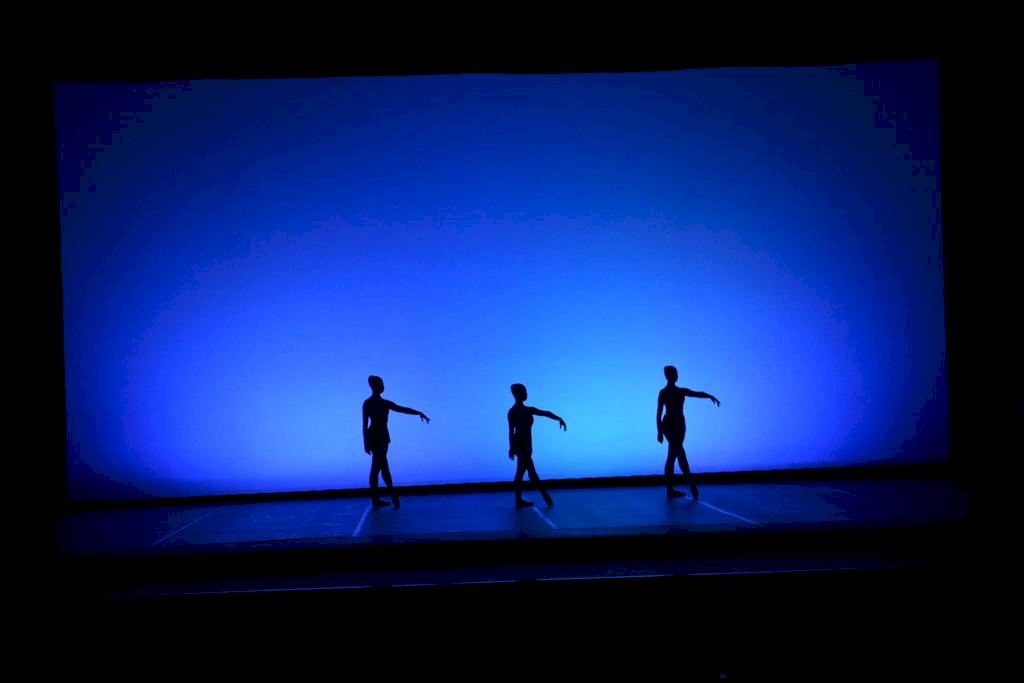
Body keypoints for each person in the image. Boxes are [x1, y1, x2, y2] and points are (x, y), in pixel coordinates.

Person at [362, 375, 430, 508]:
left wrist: (418, 412)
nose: (382, 386)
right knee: (381, 467)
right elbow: (364, 424)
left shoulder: (383, 403)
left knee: (378, 467)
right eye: (380, 383)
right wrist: (365, 443)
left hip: (382, 437)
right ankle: (392, 495)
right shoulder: (369, 403)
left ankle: (381, 498)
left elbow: (402, 409)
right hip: (376, 437)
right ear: (374, 386)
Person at [657, 365, 720, 498]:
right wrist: (660, 431)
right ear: (667, 376)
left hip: (680, 425)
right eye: (672, 373)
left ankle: (670, 490)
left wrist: (710, 396)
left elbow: (697, 394)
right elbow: (659, 412)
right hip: (669, 425)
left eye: (676, 373)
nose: (675, 376)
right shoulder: (663, 392)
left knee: (672, 456)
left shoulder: (681, 391)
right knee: (680, 453)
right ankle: (691, 484)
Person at [507, 383, 565, 508]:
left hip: (527, 447)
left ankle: (519, 500)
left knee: (521, 473)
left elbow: (546, 413)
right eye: (524, 392)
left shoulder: (528, 410)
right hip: (520, 446)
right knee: (531, 473)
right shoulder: (512, 412)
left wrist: (559, 418)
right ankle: (547, 498)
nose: (526, 394)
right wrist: (512, 447)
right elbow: (511, 431)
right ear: (517, 394)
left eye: (526, 391)